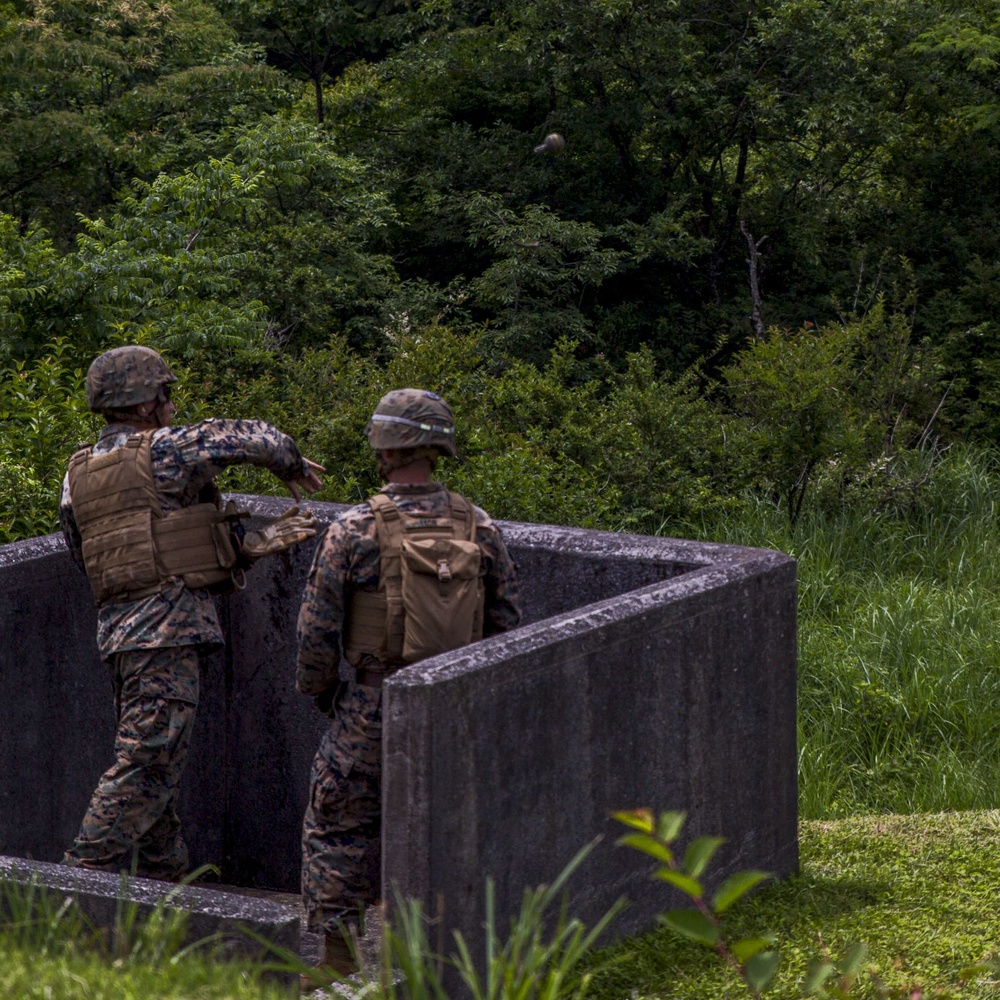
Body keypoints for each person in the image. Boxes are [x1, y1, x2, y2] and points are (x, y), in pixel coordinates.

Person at [59, 344, 324, 881]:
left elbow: (85, 552)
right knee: (146, 765)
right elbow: (258, 439)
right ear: (146, 402)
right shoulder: (163, 451)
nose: (172, 405)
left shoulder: (77, 475)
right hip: (167, 634)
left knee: (157, 775)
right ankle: (71, 888)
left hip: (120, 638)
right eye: (167, 394)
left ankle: (172, 900)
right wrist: (291, 462)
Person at [296, 389, 520, 980]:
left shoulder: (353, 529)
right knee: (448, 827)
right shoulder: (480, 526)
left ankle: (338, 960)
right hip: (454, 704)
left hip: (372, 702)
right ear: (435, 447)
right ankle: (435, 955)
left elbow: (316, 633)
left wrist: (325, 694)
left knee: (338, 823)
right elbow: (507, 627)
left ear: (385, 447)